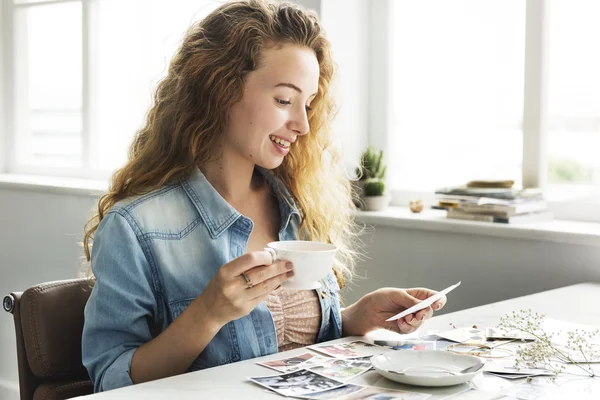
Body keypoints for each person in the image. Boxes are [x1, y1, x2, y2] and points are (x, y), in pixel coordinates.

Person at [81, 0, 447, 393]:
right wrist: (206, 314)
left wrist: (358, 316)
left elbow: (286, 341)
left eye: (307, 105)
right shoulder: (135, 228)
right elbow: (111, 380)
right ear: (219, 88)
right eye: (285, 100)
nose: (303, 124)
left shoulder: (295, 204)